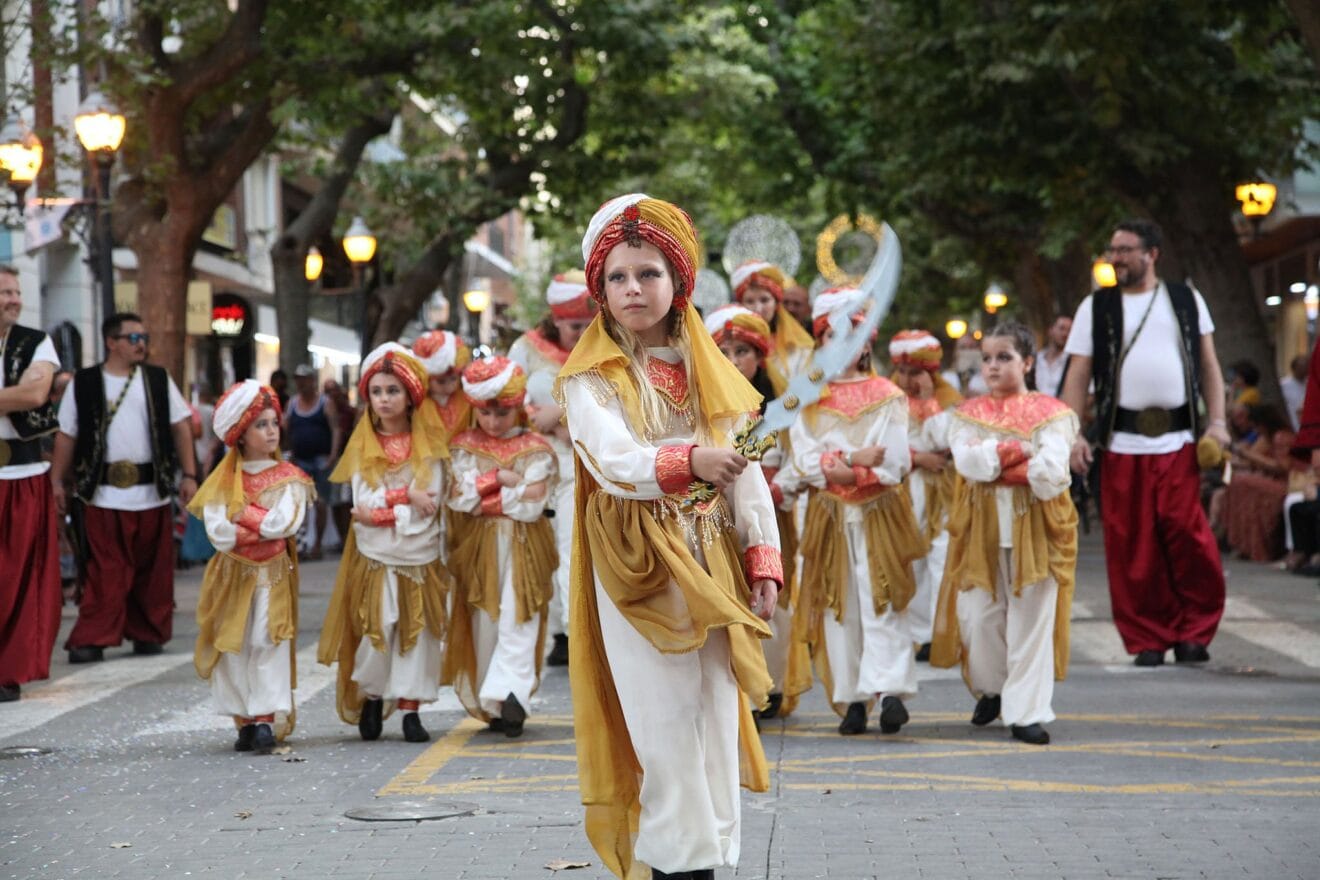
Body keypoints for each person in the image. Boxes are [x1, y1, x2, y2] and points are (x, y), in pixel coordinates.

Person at [556, 194, 780, 880]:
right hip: (634, 562)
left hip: (712, 557)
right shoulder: (589, 379)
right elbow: (615, 463)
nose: (633, 289)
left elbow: (746, 475)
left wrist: (762, 556)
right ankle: (681, 863)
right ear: (599, 288)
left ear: (678, 282)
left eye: (648, 274)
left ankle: (710, 855)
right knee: (661, 716)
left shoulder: (710, 367)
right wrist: (692, 461)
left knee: (715, 709)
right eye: (618, 277)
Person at [1061, 219, 1230, 667]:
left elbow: (1210, 366)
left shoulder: (1185, 300)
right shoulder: (1095, 308)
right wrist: (1072, 433)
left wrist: (1218, 423)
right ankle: (1148, 637)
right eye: (1112, 250)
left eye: (1125, 250)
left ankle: (1194, 630)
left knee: (1187, 536)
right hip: (1121, 444)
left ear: (1152, 254)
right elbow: (1078, 375)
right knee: (1132, 545)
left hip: (1178, 441)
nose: (1115, 258)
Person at [931, 322, 1078, 745]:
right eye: (988, 359)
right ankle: (993, 687)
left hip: (1037, 526)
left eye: (1004, 357)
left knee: (1031, 619)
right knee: (978, 617)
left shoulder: (1053, 413)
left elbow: (1052, 474)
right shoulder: (968, 413)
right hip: (981, 527)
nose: (993, 366)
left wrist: (994, 458)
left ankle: (1026, 711)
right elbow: (968, 463)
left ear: (1027, 362)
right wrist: (1019, 451)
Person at [787, 288, 925, 737]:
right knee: (837, 603)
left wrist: (845, 464)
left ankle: (887, 692)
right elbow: (806, 459)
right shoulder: (808, 398)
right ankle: (851, 698)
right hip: (829, 512)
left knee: (881, 596)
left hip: (878, 510)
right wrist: (851, 459)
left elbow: (895, 460)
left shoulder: (888, 395)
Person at [316, 344, 450, 744]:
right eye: (376, 391)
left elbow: (432, 501)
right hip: (375, 554)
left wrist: (386, 509)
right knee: (377, 628)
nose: (384, 399)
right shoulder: (362, 446)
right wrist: (405, 497)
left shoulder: (430, 445)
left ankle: (411, 710)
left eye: (392, 390)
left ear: (410, 396)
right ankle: (372, 698)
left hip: (420, 553)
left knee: (419, 632)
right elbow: (362, 504)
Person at [51, 312, 198, 663]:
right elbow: (67, 433)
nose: (141, 343)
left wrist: (190, 475)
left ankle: (148, 632)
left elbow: (181, 426)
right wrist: (57, 480)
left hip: (153, 490)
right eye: (133, 338)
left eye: (143, 337)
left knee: (154, 570)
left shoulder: (158, 379)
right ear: (111, 342)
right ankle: (94, 636)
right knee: (106, 570)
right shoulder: (84, 383)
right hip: (101, 493)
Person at [190, 381, 313, 753]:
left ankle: (265, 719)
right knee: (234, 643)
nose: (271, 431)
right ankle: (243, 719)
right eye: (260, 425)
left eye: (274, 422)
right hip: (231, 575)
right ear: (240, 435)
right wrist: (260, 525)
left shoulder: (290, 477)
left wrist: (244, 515)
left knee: (268, 639)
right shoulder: (223, 481)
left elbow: (287, 524)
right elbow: (219, 532)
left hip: (271, 575)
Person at [706, 304, 811, 720]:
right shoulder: (709, 408)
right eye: (725, 352)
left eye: (742, 352)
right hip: (715, 518)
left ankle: (769, 687)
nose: (733, 362)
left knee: (772, 598)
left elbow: (800, 458)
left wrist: (778, 487)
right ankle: (737, 692)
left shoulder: (780, 412)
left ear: (759, 357)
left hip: (774, 517)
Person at [443, 356, 557, 737]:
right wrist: (503, 479)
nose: (493, 422)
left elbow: (532, 504)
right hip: (478, 546)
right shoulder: (461, 446)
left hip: (526, 544)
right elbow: (460, 498)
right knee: (484, 619)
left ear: (517, 406)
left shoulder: (536, 448)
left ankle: (512, 696)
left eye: (503, 413)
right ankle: (494, 702)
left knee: (519, 614)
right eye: (486, 413)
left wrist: (484, 488)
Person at [508, 271, 595, 668]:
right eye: (576, 325)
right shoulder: (525, 349)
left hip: (583, 463)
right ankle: (552, 629)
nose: (582, 331)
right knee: (542, 551)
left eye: (588, 324)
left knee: (573, 546)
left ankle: (577, 632)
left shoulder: (604, 348)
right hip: (536, 465)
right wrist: (534, 419)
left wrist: (562, 418)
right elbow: (505, 398)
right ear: (557, 319)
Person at [0, 264, 61, 702]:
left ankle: (9, 671)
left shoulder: (36, 341)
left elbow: (35, 395)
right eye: (4, 292)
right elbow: (18, 395)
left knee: (17, 577)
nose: (14, 299)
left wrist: (22, 392)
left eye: (16, 291)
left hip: (21, 473)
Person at [888, 329, 961, 660]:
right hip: (903, 490)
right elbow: (884, 447)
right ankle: (919, 634)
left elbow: (945, 442)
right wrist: (917, 459)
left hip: (940, 493)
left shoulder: (947, 400)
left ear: (930, 373)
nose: (906, 379)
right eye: (902, 371)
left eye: (915, 373)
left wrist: (930, 402)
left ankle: (941, 632)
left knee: (941, 559)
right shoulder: (887, 400)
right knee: (912, 561)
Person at [284, 363, 344, 560]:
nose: (301, 383)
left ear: (312, 380)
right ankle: (300, 545)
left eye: (304, 379)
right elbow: (286, 428)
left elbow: (336, 428)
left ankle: (317, 544)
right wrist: (288, 453)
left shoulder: (325, 402)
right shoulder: (292, 404)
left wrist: (333, 455)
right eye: (298, 380)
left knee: (320, 502)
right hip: (299, 459)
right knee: (298, 502)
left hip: (321, 459)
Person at [729, 260, 815, 394]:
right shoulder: (729, 345)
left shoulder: (798, 347)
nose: (758, 308)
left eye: (764, 300)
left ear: (776, 303)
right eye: (750, 301)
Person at [412, 330, 474, 444]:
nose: (449, 386)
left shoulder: (466, 399)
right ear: (427, 380)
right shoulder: (420, 404)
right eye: (441, 381)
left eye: (453, 379)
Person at [1033, 313, 1072, 397]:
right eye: (1061, 328)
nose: (1065, 334)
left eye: (1069, 330)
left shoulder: (1073, 362)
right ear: (1051, 330)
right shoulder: (1035, 360)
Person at [1280, 354, 1307, 431]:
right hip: (1291, 425)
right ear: (1294, 368)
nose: (1304, 370)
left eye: (1306, 367)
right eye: (1301, 367)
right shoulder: (1283, 385)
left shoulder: (1310, 384)